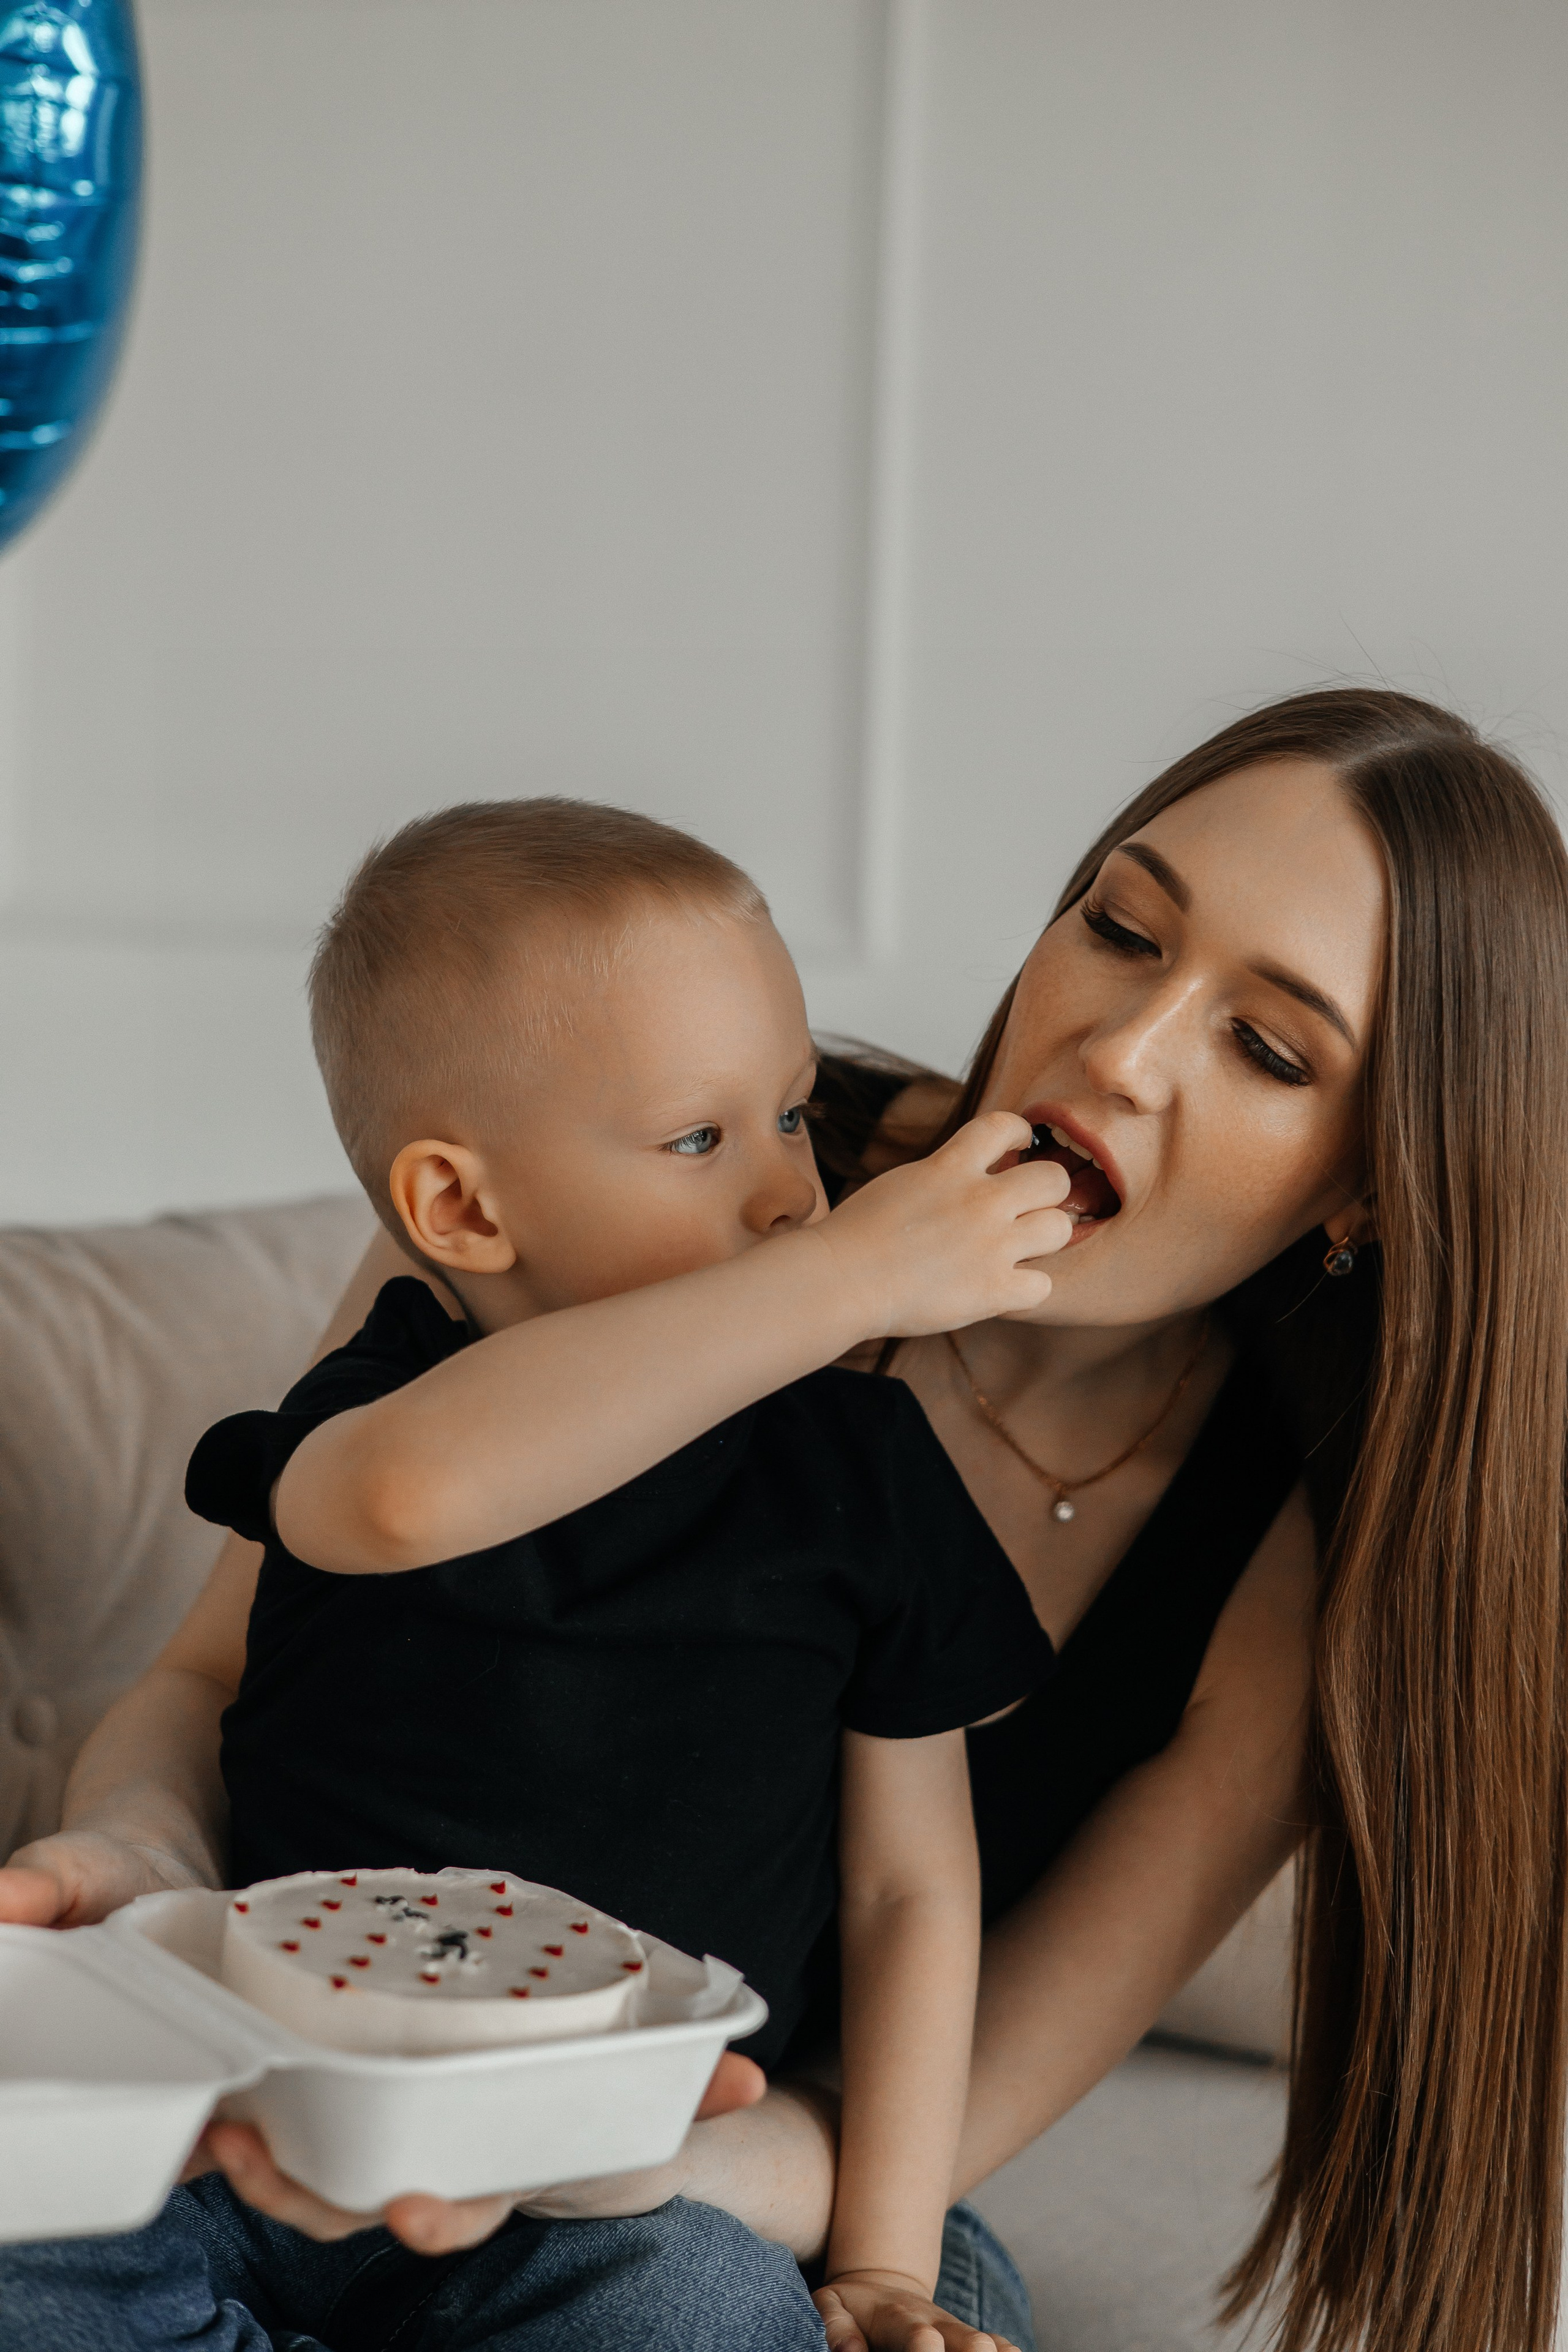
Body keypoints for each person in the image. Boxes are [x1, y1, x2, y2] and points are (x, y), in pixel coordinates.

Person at [4, 687, 1564, 2352]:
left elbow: (922, 2078)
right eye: (1119, 929)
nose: (1121, 1049)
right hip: (305, 2061)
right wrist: (145, 1872)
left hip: (718, 2172)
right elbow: (245, 1642)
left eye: (1266, 1045)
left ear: (1370, 1182)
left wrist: (546, 2164)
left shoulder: (1291, 1558)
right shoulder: (629, 1149)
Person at [181, 798, 1058, 2344]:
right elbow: (387, 1502)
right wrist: (849, 1273)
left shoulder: (854, 1470)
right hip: (254, 2136)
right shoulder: (388, 1411)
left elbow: (911, 1890)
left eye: (793, 1116)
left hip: (611, 2203)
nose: (792, 1195)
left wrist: (887, 2265)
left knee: (698, 2311)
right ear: (460, 1208)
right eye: (699, 1138)